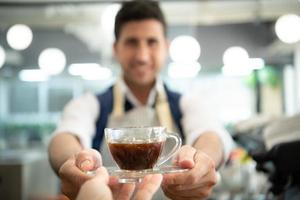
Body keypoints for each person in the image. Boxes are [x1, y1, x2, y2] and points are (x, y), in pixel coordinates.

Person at [48, 1, 234, 199]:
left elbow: (211, 134)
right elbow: (65, 136)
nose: (142, 56)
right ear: (115, 48)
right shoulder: (90, 105)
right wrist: (76, 162)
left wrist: (202, 161)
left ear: (166, 47)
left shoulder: (187, 103)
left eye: (152, 42)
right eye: (132, 42)